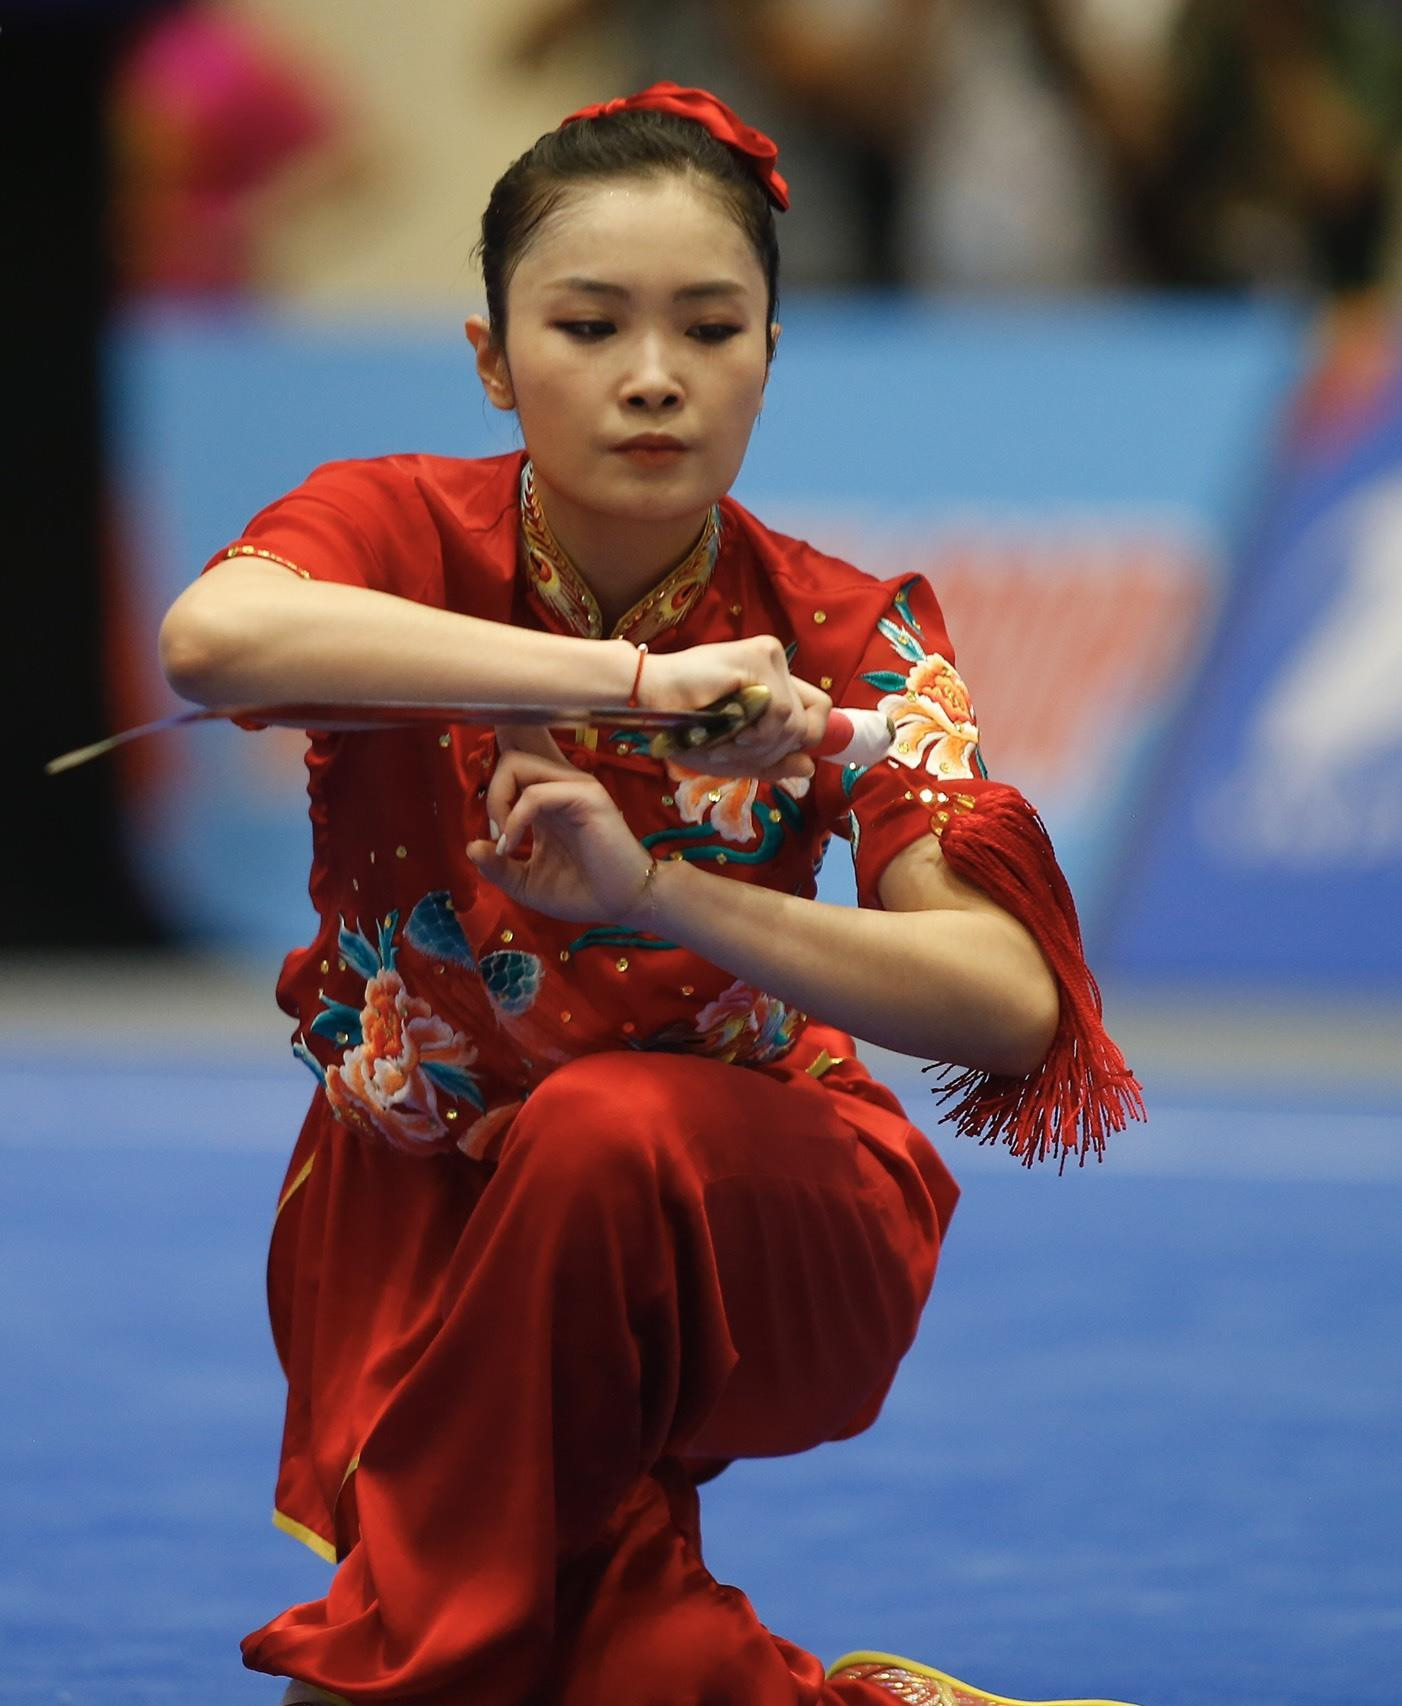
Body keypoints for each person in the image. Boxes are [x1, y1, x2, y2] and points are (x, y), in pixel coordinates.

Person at [157, 83, 1143, 1706]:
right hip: (419, 1203)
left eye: (711, 325)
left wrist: (661, 889)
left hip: (744, 1208)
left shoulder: (847, 631)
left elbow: (1009, 998)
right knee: (584, 1616)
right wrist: (630, 680)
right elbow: (216, 642)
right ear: (491, 358)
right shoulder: (392, 525)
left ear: (770, 352)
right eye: (589, 323)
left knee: (601, 1130)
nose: (653, 377)